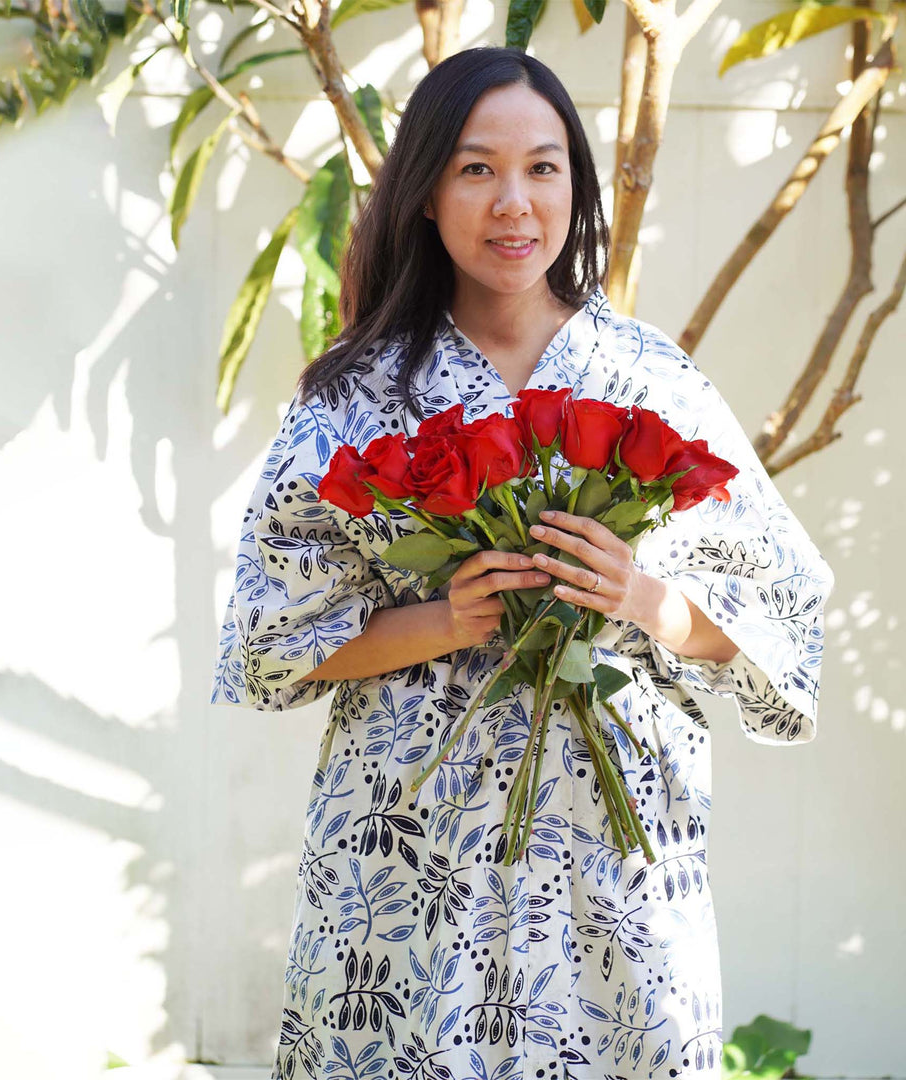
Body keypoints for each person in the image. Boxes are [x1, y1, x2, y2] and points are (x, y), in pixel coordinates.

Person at [211, 44, 835, 1080]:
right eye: (475, 168)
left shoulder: (653, 379)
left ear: (576, 189)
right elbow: (277, 642)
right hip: (409, 847)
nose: (515, 202)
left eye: (544, 168)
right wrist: (445, 619)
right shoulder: (353, 394)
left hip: (613, 853)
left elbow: (780, 606)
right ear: (423, 192)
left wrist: (643, 599)